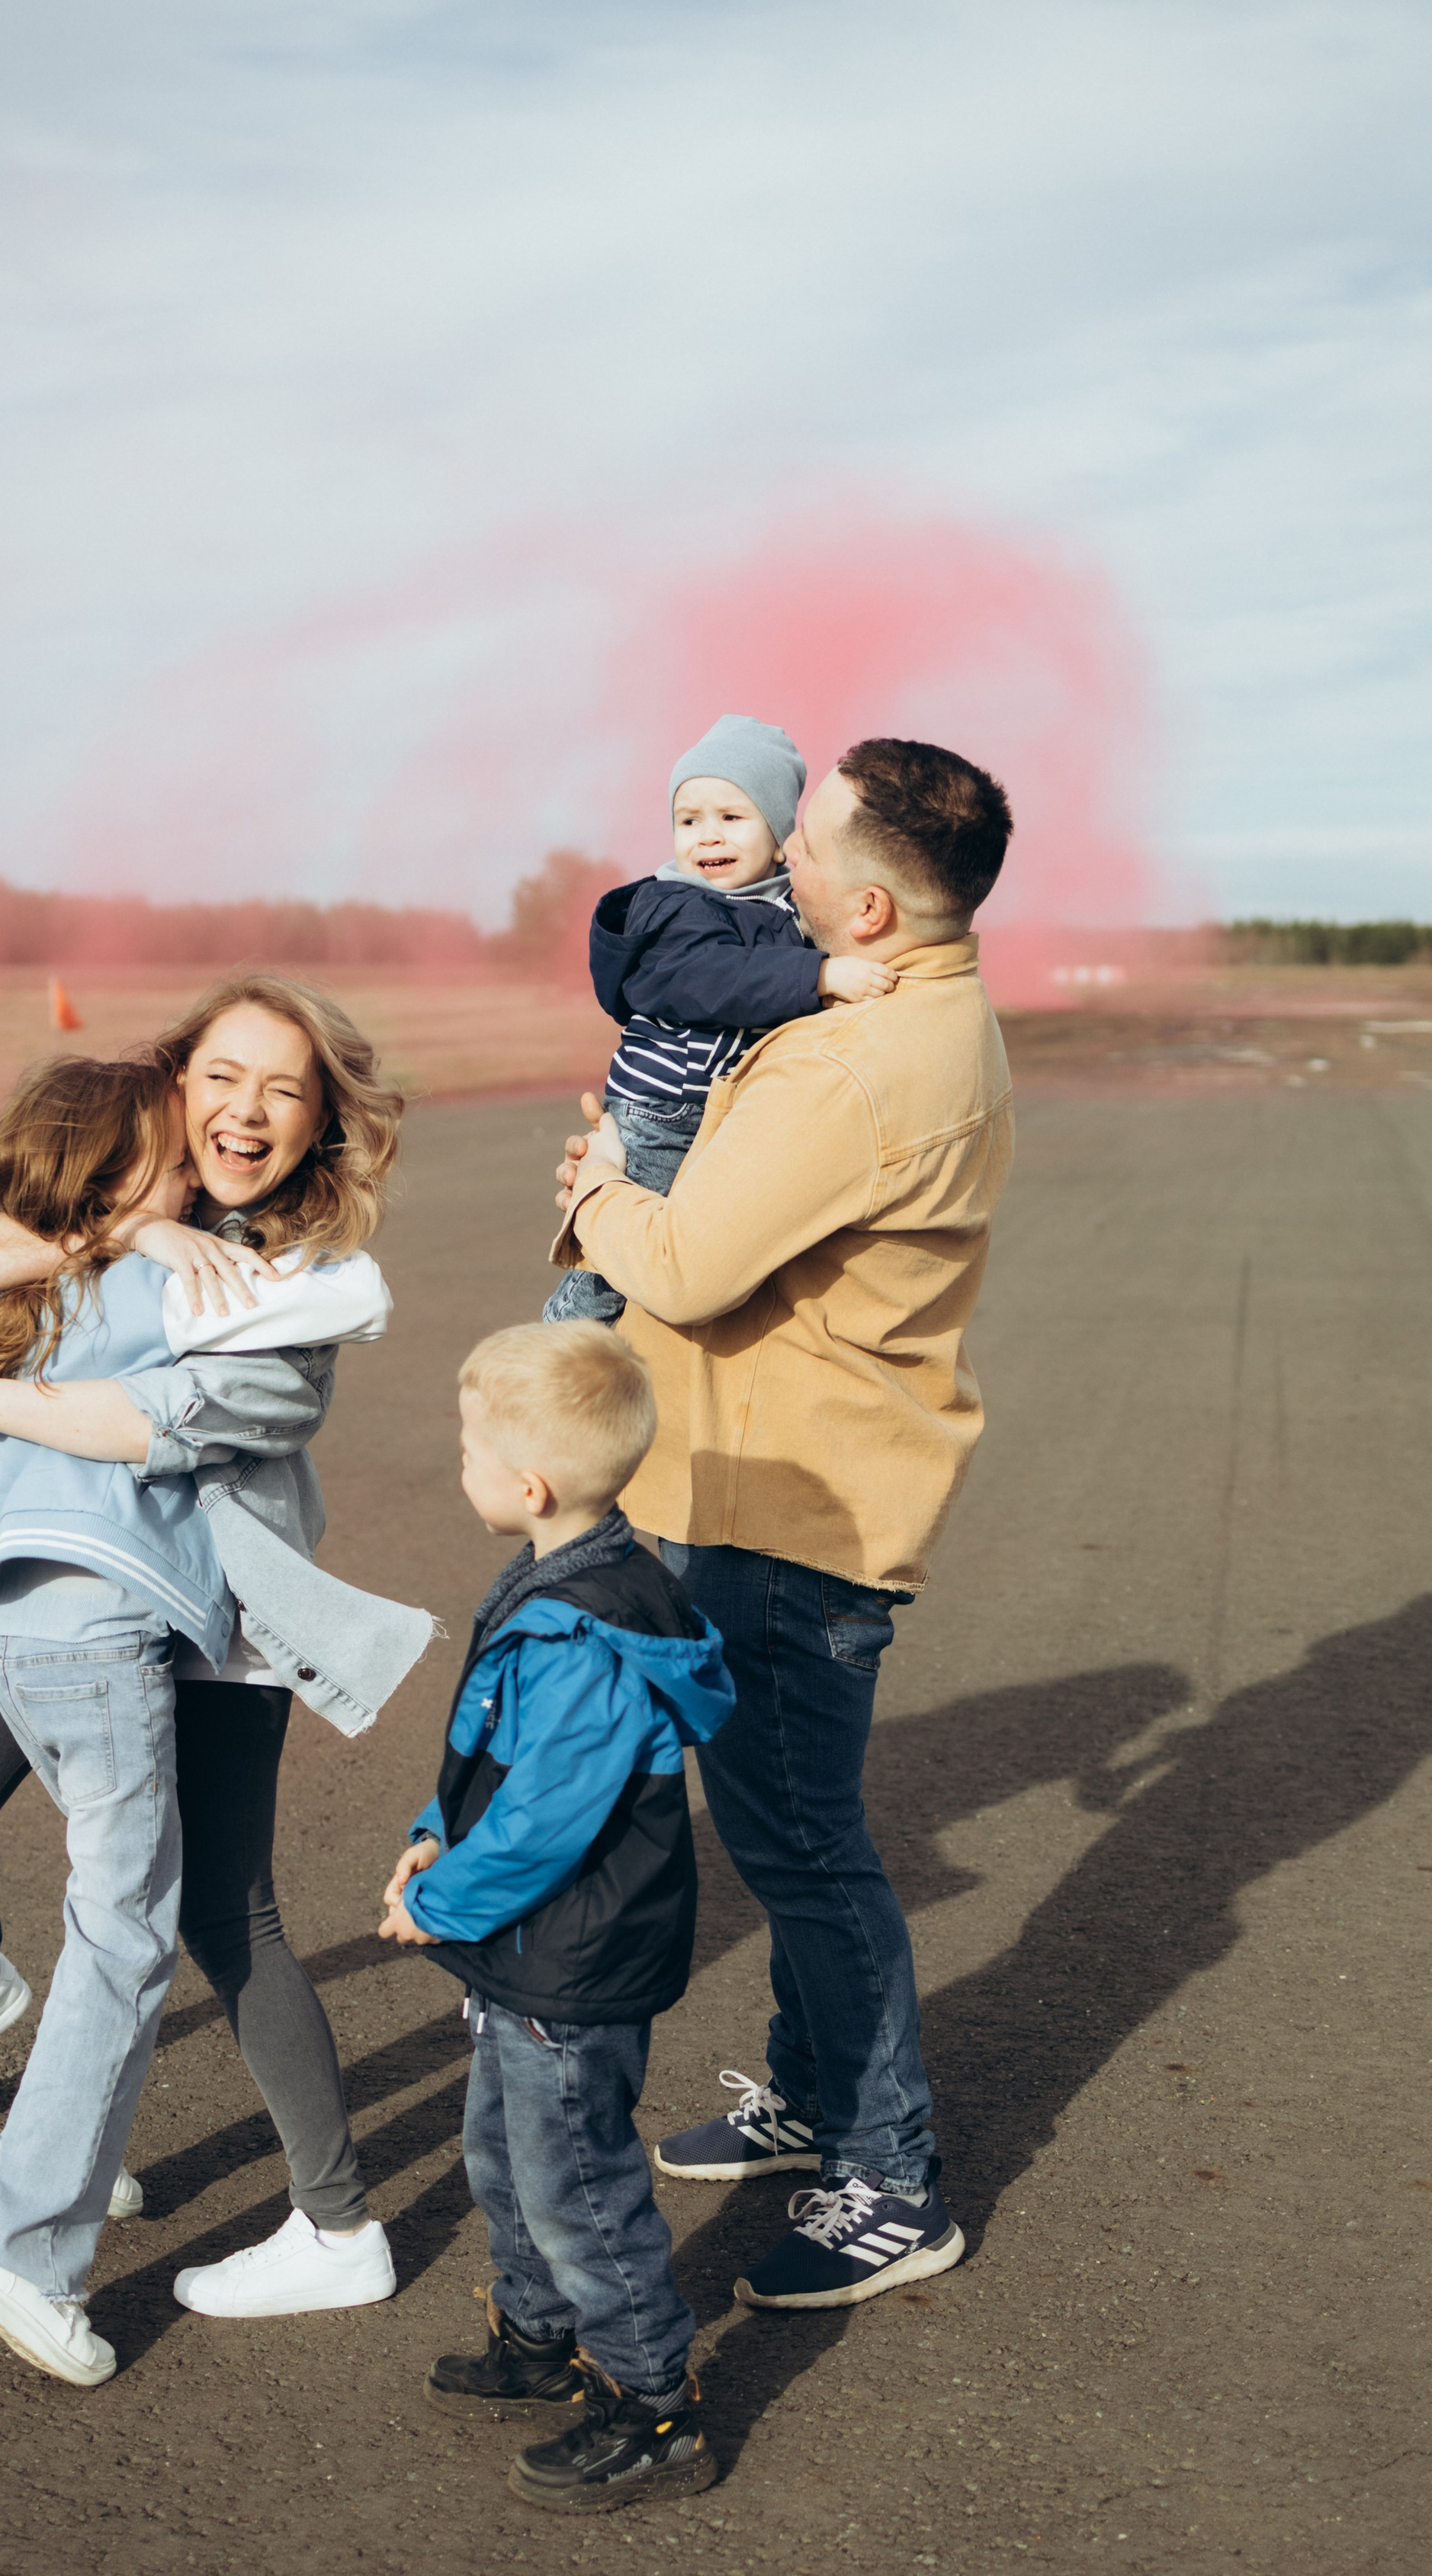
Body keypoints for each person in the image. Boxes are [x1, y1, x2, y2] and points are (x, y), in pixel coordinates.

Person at [0, 979, 425, 2380]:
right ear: (179, 1082)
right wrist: (130, 1223)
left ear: (321, 1124)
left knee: (220, 1913)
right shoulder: (119, 1198)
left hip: (210, 1620)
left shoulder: (300, 1283)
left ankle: (335, 2222)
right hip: (74, 1588)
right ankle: (7, 2026)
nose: (247, 1109)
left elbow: (155, 1422)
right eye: (223, 1075)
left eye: (285, 1090)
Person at [550, 738, 1015, 2310]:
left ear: (868, 908)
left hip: (784, 1499)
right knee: (792, 1828)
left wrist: (597, 1192)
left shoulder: (849, 1064)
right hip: (797, 1470)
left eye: (804, 843)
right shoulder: (930, 1010)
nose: (779, 863)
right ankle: (814, 2099)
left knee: (804, 1849)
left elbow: (685, 1265)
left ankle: (891, 2180)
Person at [379, 1322, 735, 2517]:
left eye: (469, 1446)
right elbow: (493, 1750)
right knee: (503, 2152)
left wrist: (436, 1901)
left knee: (577, 2184)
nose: (460, 1461)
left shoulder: (586, 1631)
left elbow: (545, 1821)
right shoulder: (562, 1579)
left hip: (572, 1958)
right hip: (534, 1951)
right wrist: (437, 1826)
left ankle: (655, 2405)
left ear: (528, 1484)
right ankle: (539, 2333)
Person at [543, 711, 892, 1327]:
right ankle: (564, 1340)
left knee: (699, 1251)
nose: (707, 837)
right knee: (620, 1255)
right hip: (663, 1111)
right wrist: (819, 976)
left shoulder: (779, 905)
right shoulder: (680, 907)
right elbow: (713, 978)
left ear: (781, 837)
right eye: (689, 820)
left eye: (731, 818)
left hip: (715, 1110)